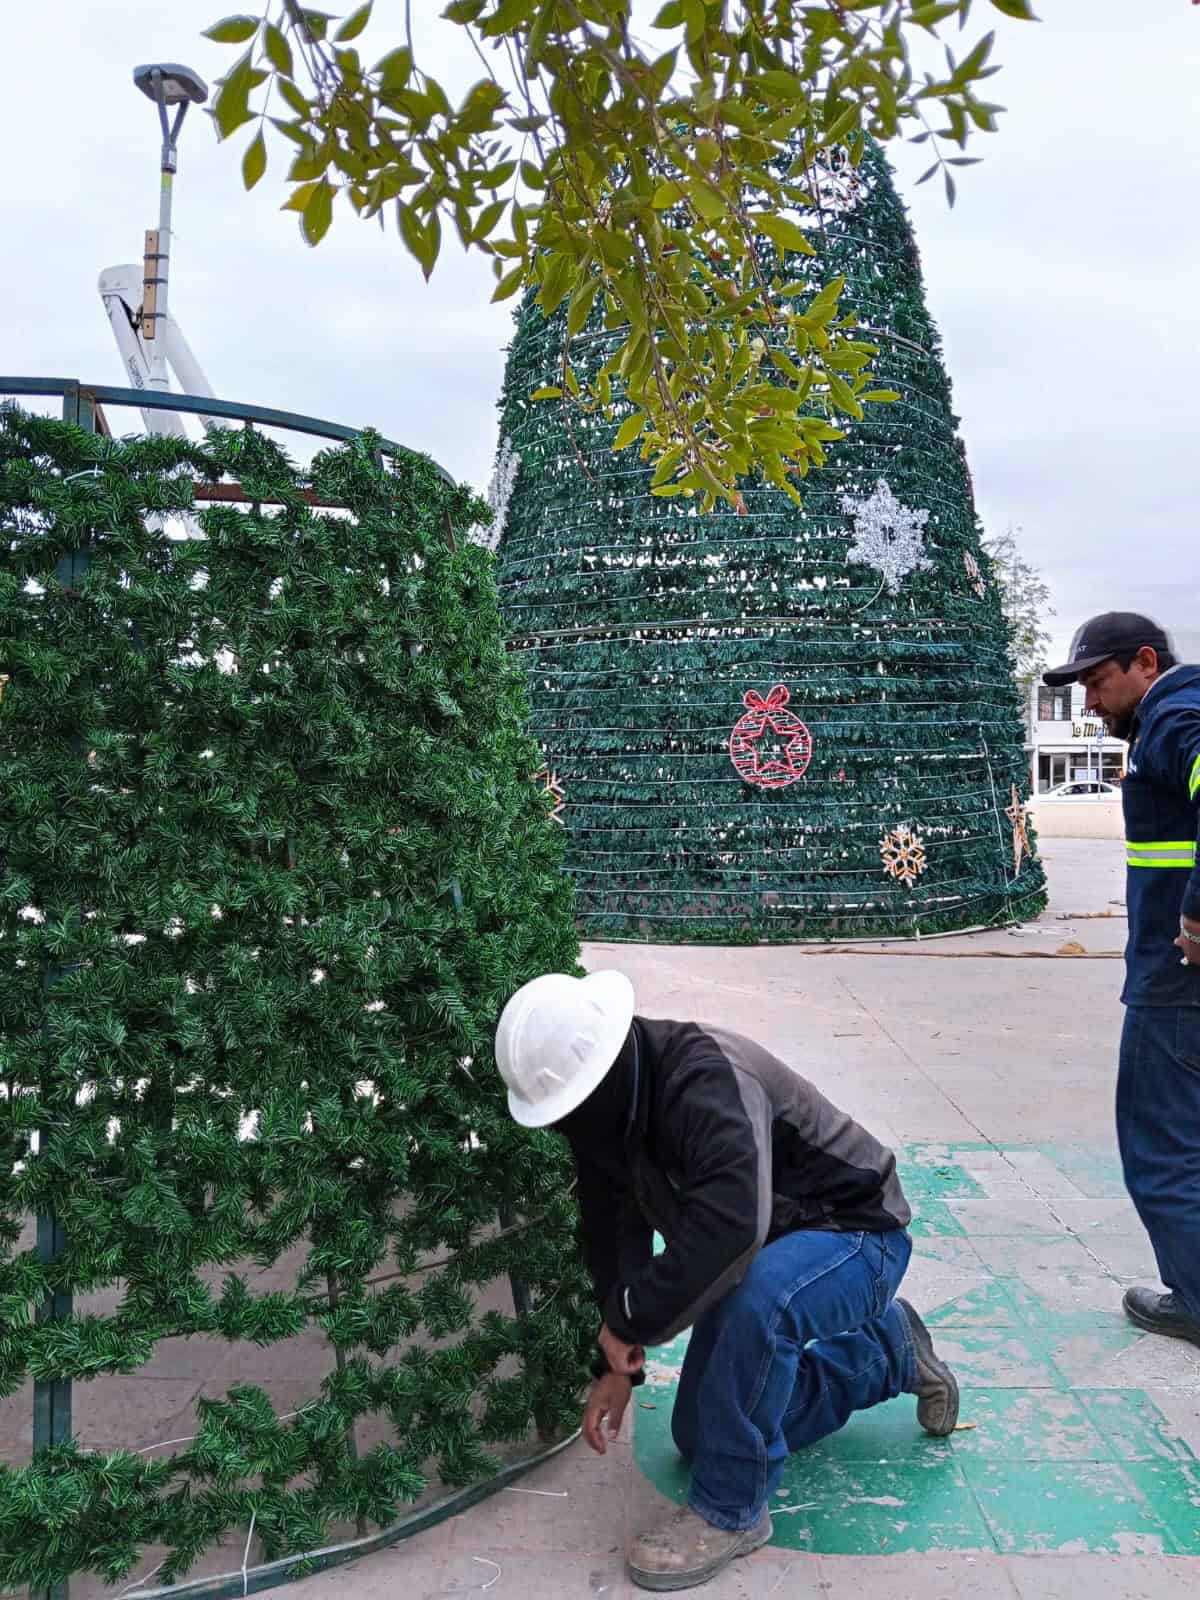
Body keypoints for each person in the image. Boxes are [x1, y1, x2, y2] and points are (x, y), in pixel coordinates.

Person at [494, 971, 958, 1593]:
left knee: (761, 1299)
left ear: (600, 1076)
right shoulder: (608, 1115)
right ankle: (885, 1353)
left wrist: (633, 1319)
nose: (568, 1128)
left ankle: (731, 1510)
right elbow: (611, 1236)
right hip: (771, 1250)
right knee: (700, 1434)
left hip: (858, 1236)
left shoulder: (705, 1079)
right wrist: (617, 1368)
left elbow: (734, 1230)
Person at [1042, 613, 1200, 1343]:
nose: (1090, 704)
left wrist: (1196, 916)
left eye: (1098, 683)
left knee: (1161, 1142)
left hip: (1178, 984)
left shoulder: (1175, 716)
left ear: (1144, 662)